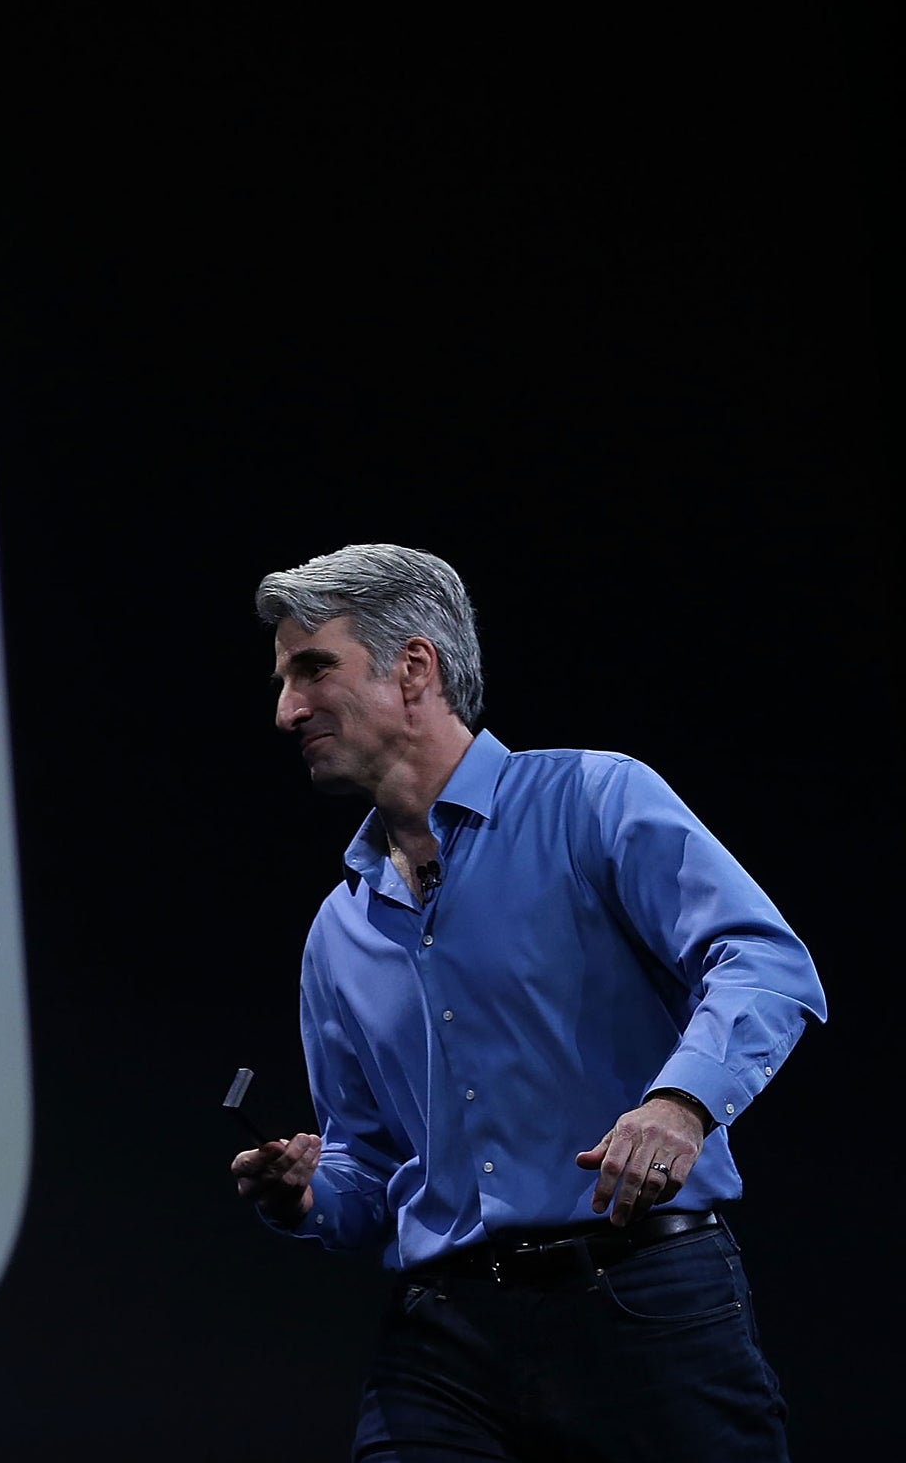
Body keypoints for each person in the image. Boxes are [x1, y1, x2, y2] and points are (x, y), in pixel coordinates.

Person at [234, 543, 826, 1462]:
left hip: (644, 1307)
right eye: (282, 681)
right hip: (443, 1344)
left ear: (415, 668)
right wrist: (306, 1196)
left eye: (313, 669)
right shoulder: (337, 931)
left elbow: (761, 960)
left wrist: (682, 1101)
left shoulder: (593, 799)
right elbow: (369, 1167)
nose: (287, 710)